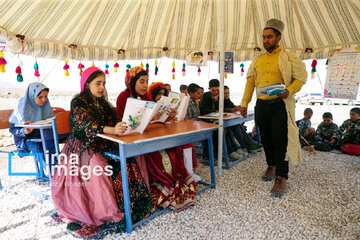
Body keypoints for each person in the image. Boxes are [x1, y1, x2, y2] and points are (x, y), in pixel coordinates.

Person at [51, 67, 152, 239]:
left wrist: (124, 124)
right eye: (97, 83)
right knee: (99, 165)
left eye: (104, 84)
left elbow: (115, 119)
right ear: (87, 83)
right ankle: (106, 211)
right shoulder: (78, 102)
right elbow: (85, 125)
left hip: (103, 143)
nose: (101, 88)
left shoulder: (104, 103)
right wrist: (111, 129)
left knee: (129, 158)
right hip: (82, 146)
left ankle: (128, 204)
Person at [240, 18, 307, 197]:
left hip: (280, 105)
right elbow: (250, 83)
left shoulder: (289, 57)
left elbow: (301, 78)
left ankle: (281, 176)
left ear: (278, 38)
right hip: (261, 105)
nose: (265, 41)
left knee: (280, 141)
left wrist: (289, 91)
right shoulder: (257, 60)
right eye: (263, 37)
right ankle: (271, 164)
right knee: (266, 139)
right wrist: (245, 103)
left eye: (269, 37)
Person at [145, 82, 196, 212]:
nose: (161, 97)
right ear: (153, 94)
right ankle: (167, 181)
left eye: (164, 94)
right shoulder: (148, 106)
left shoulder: (162, 108)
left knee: (176, 149)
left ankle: (182, 175)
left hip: (162, 139)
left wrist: (171, 118)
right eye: (159, 94)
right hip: (150, 143)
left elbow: (167, 126)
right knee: (165, 156)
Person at [9, 82, 56, 178]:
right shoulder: (23, 106)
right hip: (26, 139)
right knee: (37, 148)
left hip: (42, 136)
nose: (44, 100)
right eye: (40, 97)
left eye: (46, 96)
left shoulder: (45, 106)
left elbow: (50, 120)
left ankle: (56, 171)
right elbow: (12, 129)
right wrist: (24, 131)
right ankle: (52, 174)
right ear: (32, 95)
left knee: (51, 144)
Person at [200, 79, 243, 160]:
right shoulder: (206, 95)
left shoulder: (219, 95)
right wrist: (215, 110)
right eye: (213, 90)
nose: (215, 92)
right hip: (207, 120)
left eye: (217, 90)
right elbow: (202, 110)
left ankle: (232, 150)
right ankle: (227, 152)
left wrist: (216, 101)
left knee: (227, 129)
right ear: (209, 89)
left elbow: (221, 108)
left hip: (216, 119)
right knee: (220, 130)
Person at [222, 86, 262, 154]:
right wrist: (233, 109)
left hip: (230, 121)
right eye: (225, 93)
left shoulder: (228, 100)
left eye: (228, 93)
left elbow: (233, 107)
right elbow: (224, 109)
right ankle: (247, 145)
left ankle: (248, 144)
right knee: (237, 128)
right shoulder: (220, 101)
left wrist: (237, 108)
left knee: (240, 127)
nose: (227, 95)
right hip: (224, 123)